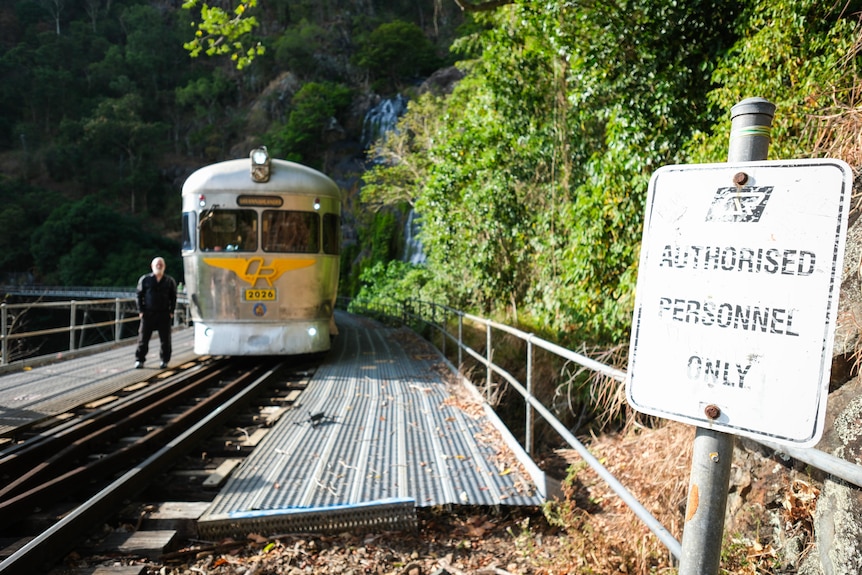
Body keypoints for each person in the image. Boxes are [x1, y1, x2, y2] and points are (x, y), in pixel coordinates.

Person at [135, 256, 178, 369]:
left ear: (164, 267)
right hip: (148, 313)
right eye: (157, 264)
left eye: (161, 264)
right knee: (143, 338)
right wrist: (141, 311)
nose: (159, 266)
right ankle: (139, 360)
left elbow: (173, 297)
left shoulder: (169, 281)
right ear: (152, 266)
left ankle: (164, 360)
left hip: (164, 313)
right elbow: (139, 295)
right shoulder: (145, 279)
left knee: (165, 339)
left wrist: (171, 311)